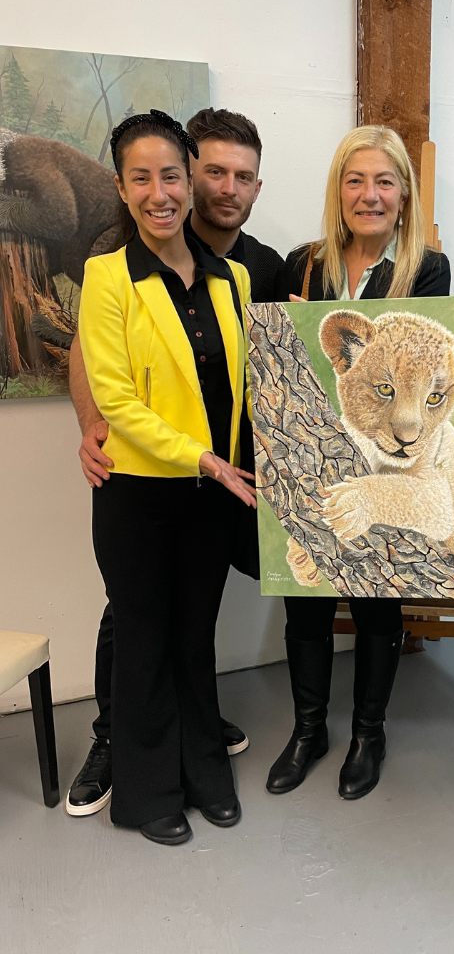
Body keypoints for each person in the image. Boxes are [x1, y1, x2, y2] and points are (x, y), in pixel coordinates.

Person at [66, 109, 294, 818]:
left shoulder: (231, 280)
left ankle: (205, 779)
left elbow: (247, 383)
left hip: (210, 497)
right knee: (141, 639)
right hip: (138, 492)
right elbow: (118, 398)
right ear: (123, 185)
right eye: (144, 178)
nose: (160, 192)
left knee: (195, 641)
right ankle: (147, 795)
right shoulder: (107, 277)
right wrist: (202, 456)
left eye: (171, 176)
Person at [266, 125, 451, 802]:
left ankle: (368, 732)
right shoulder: (302, 264)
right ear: (337, 189)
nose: (369, 195)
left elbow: (406, 367)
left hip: (387, 465)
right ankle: (308, 728)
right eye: (355, 179)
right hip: (310, 454)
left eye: (383, 181)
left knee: (379, 599)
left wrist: (313, 331)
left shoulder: (427, 269)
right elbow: (282, 361)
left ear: (404, 194)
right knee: (305, 599)